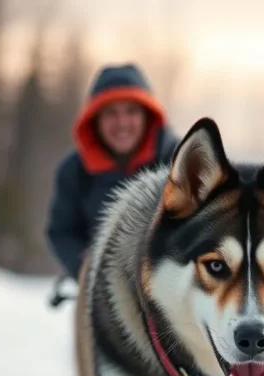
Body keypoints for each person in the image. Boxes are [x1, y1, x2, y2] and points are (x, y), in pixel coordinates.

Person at [46, 64, 179, 282]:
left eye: (131, 111)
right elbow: (61, 231)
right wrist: (83, 265)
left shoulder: (177, 163)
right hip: (99, 283)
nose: (122, 123)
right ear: (95, 120)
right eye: (111, 113)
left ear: (147, 116)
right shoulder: (73, 171)